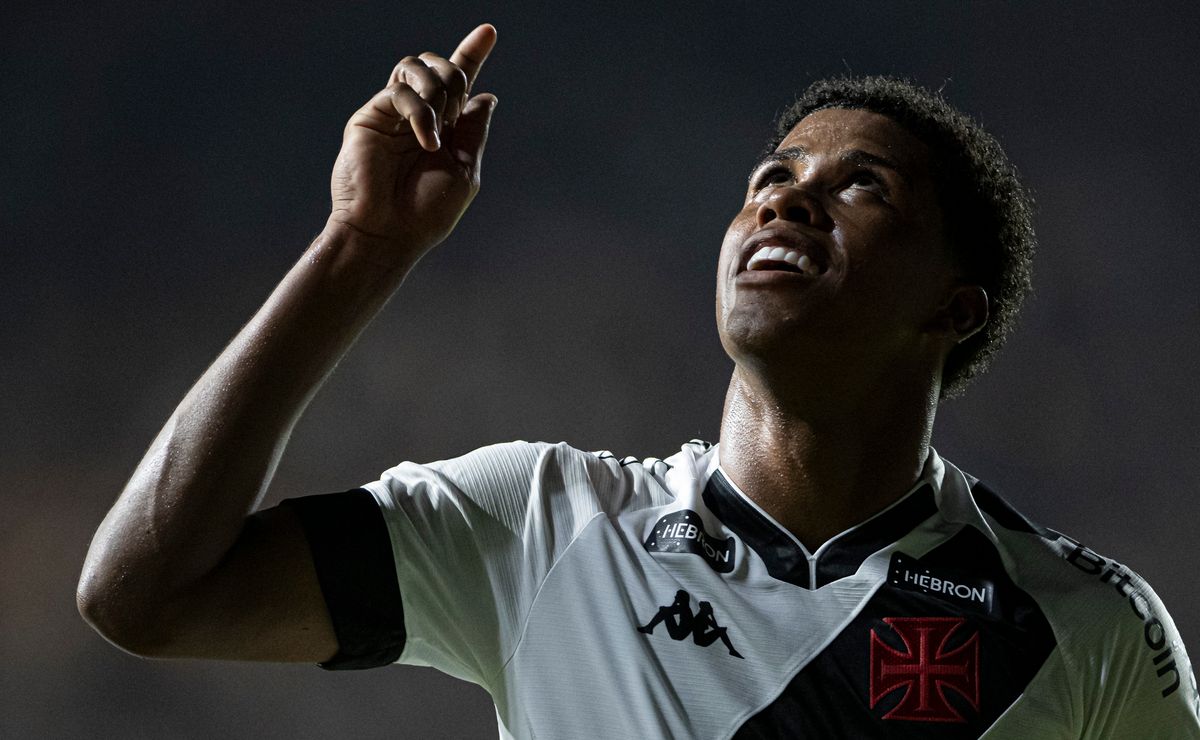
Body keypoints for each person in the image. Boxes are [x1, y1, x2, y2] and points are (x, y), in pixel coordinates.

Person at [77, 23, 1199, 739]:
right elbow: (143, 596)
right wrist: (360, 247)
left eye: (864, 187)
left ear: (955, 308)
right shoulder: (539, 520)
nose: (785, 198)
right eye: (771, 177)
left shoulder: (1083, 629)